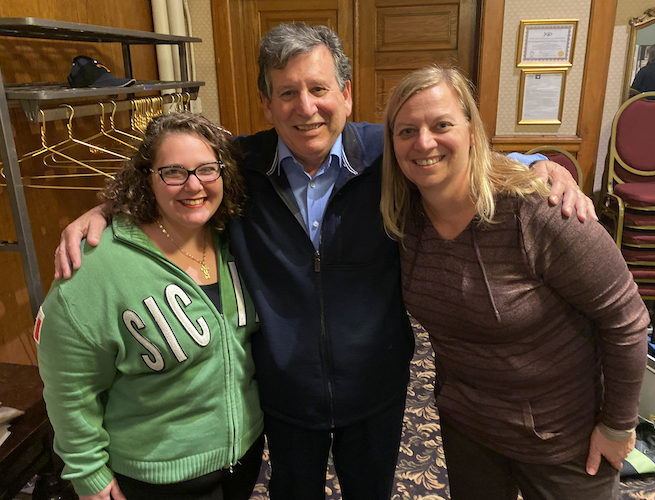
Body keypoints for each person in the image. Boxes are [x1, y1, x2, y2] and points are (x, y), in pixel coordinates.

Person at [54, 23, 596, 500]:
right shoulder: (241, 167)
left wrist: (543, 165)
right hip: (284, 393)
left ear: (347, 94)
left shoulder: (395, 155)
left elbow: (467, 157)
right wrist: (107, 210)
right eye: (286, 92)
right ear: (266, 104)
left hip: (376, 387)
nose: (305, 106)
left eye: (318, 88)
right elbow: (178, 178)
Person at [381, 66, 649, 500]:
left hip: (564, 437)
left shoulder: (538, 211)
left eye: (441, 124)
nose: (424, 142)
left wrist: (619, 424)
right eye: (407, 130)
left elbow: (626, 317)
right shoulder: (403, 220)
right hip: (468, 429)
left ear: (471, 130)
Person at [37, 113, 264, 500]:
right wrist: (87, 471)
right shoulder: (95, 266)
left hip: (241, 458)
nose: (194, 185)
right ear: (147, 178)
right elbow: (69, 387)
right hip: (154, 479)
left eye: (207, 169)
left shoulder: (236, 238)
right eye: (173, 172)